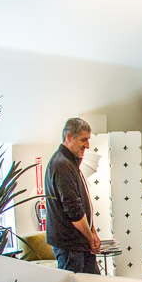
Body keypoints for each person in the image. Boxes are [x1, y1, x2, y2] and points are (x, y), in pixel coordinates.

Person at [45, 117, 101, 274]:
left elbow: (81, 205)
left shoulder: (70, 163)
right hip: (70, 244)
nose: (87, 145)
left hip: (80, 243)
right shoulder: (62, 165)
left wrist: (93, 232)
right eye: (83, 140)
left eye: (88, 140)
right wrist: (90, 237)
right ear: (69, 136)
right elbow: (73, 210)